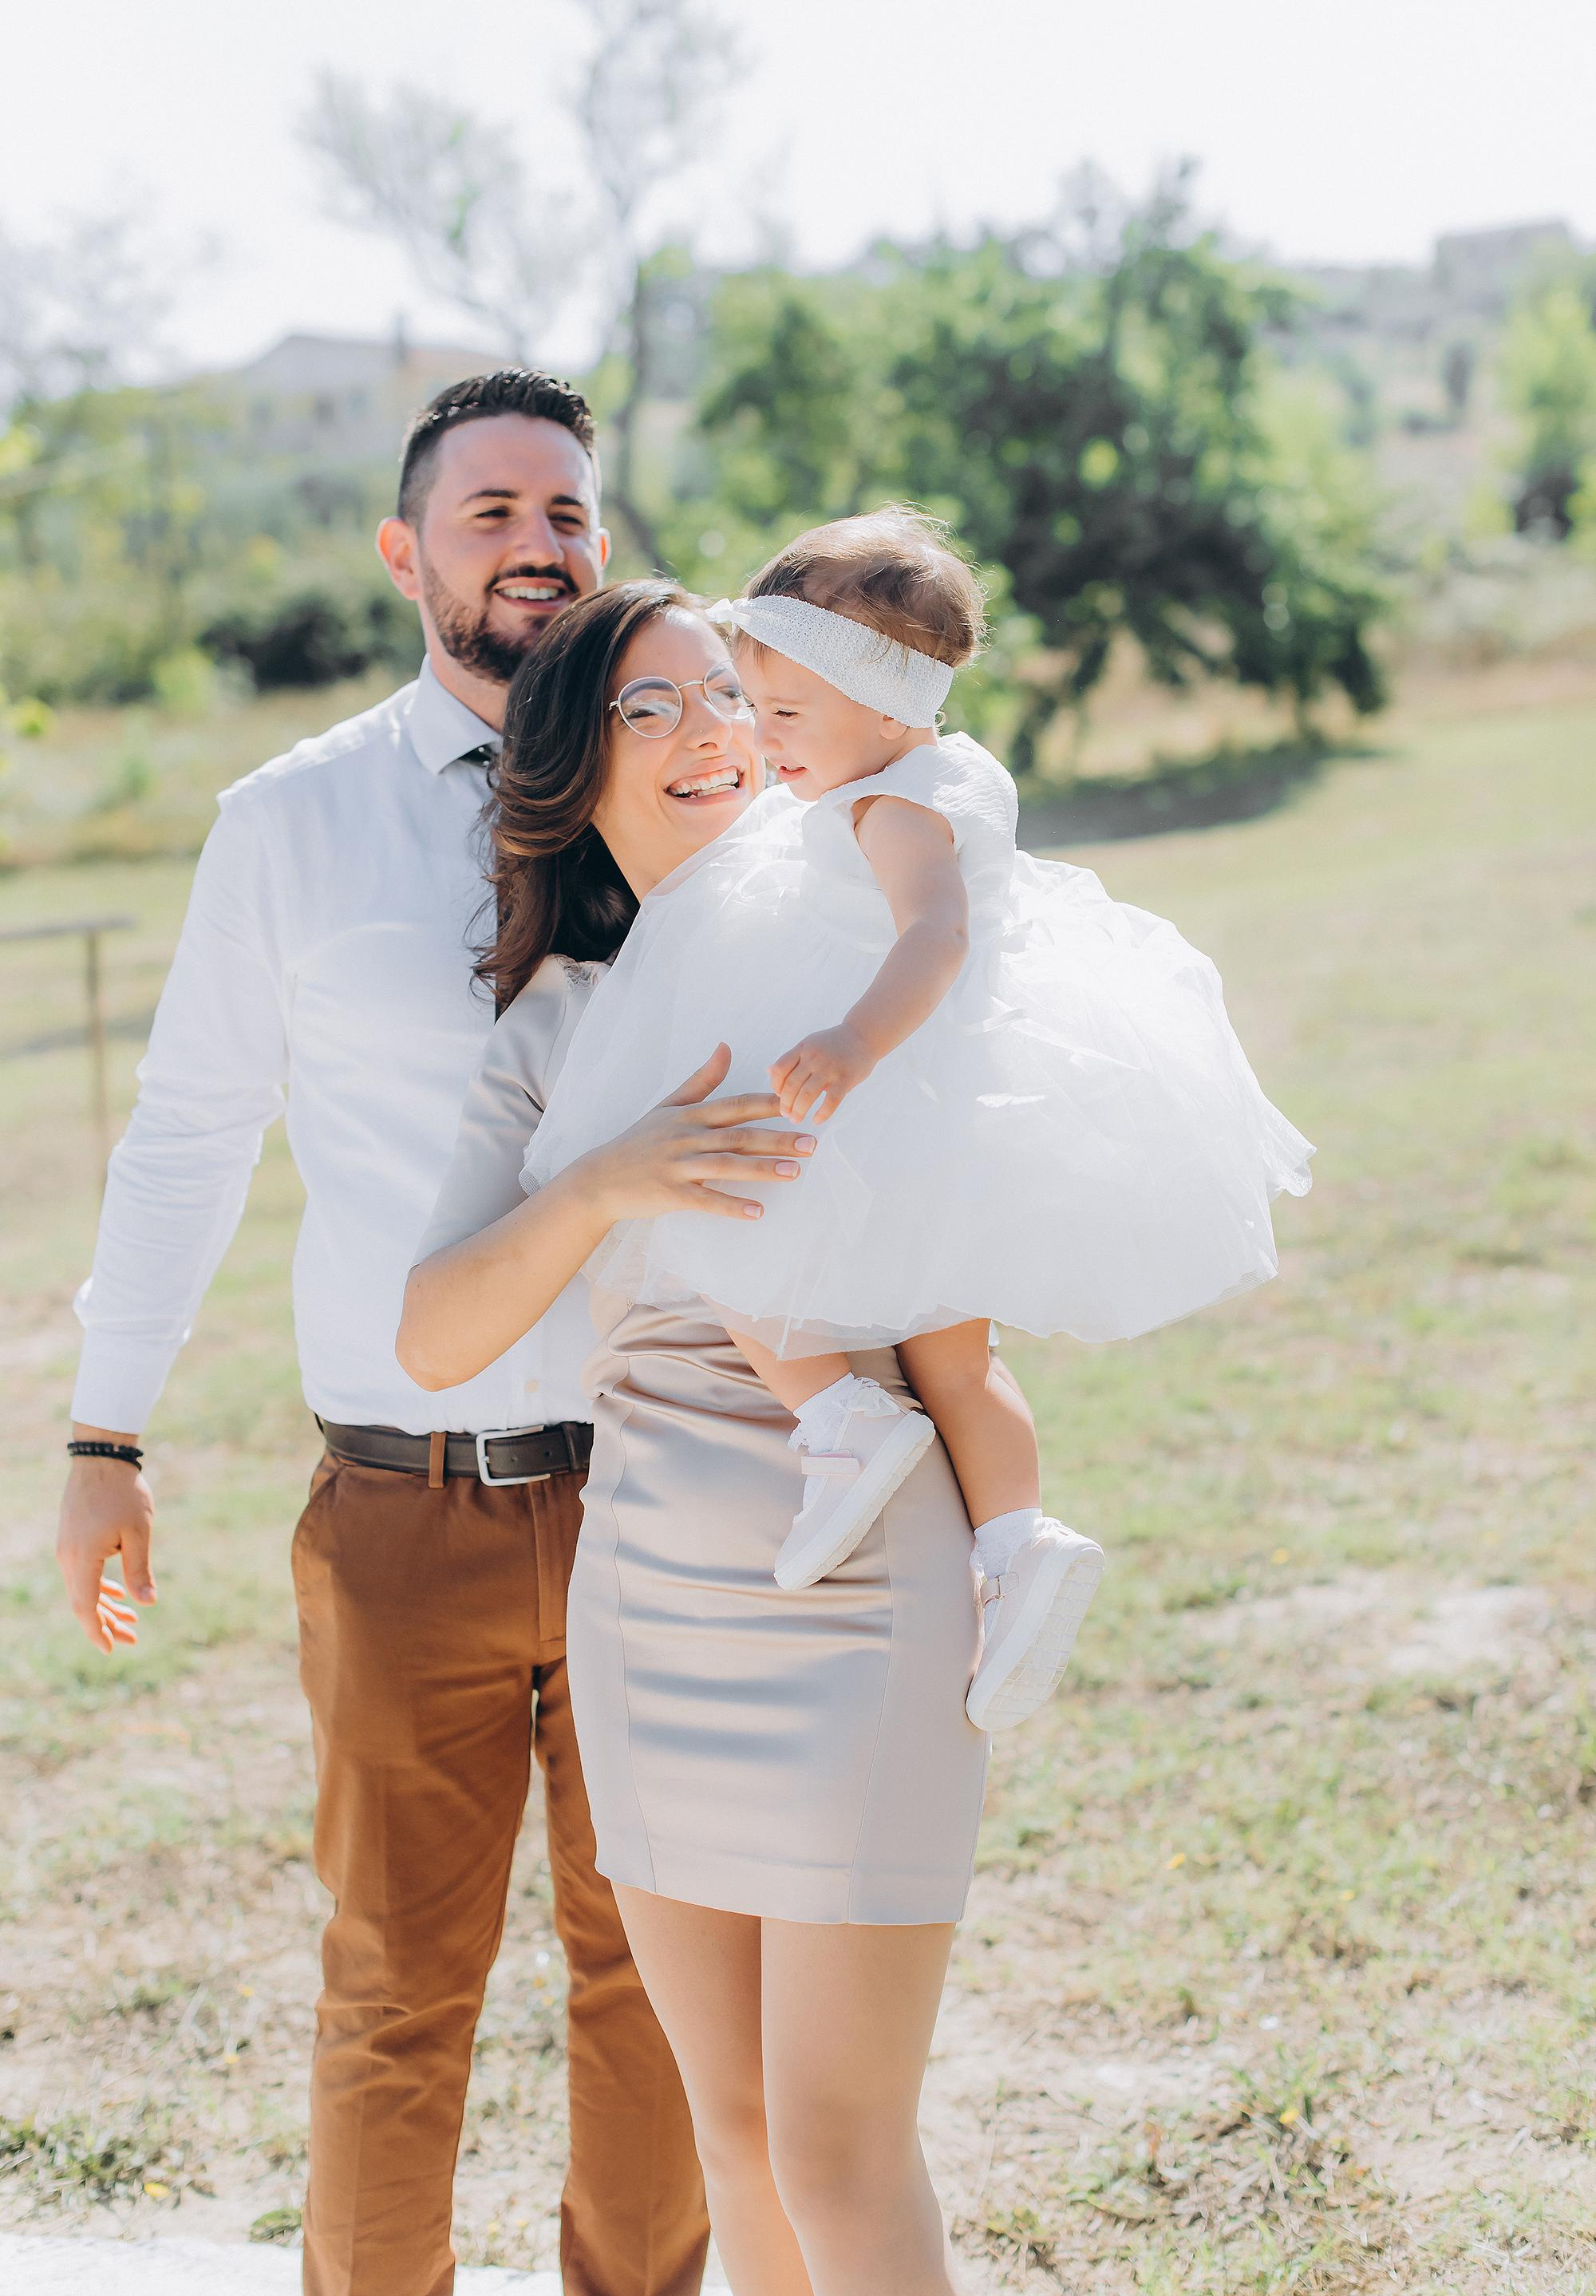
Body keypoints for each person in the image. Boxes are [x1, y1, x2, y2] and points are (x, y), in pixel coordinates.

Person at [51, 371, 768, 2296]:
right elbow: (189, 1136)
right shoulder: (285, 829)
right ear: (407, 553)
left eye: (566, 509)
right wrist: (106, 1435)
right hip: (401, 1507)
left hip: (662, 1492)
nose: (536, 540)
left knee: (660, 1986)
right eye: (488, 511)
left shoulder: (703, 802)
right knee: (392, 1989)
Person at [399, 578, 991, 2296]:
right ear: (575, 777)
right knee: (732, 2133)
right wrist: (603, 1181)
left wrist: (1011, 1537)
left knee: (836, 2143)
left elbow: (966, 1302)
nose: (708, 731)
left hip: (854, 1563)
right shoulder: (552, 1026)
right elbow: (430, 1334)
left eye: (729, 691)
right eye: (647, 710)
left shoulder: (858, 955)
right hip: (647, 1583)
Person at [521, 508, 1314, 1733]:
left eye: (784, 715)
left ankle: (838, 1417)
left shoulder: (889, 809)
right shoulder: (940, 769)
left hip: (881, 1075)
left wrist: (850, 1042)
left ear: (883, 710)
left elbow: (933, 935)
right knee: (959, 1351)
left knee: (715, 1215)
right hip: (950, 1105)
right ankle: (1015, 1547)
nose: (759, 737)